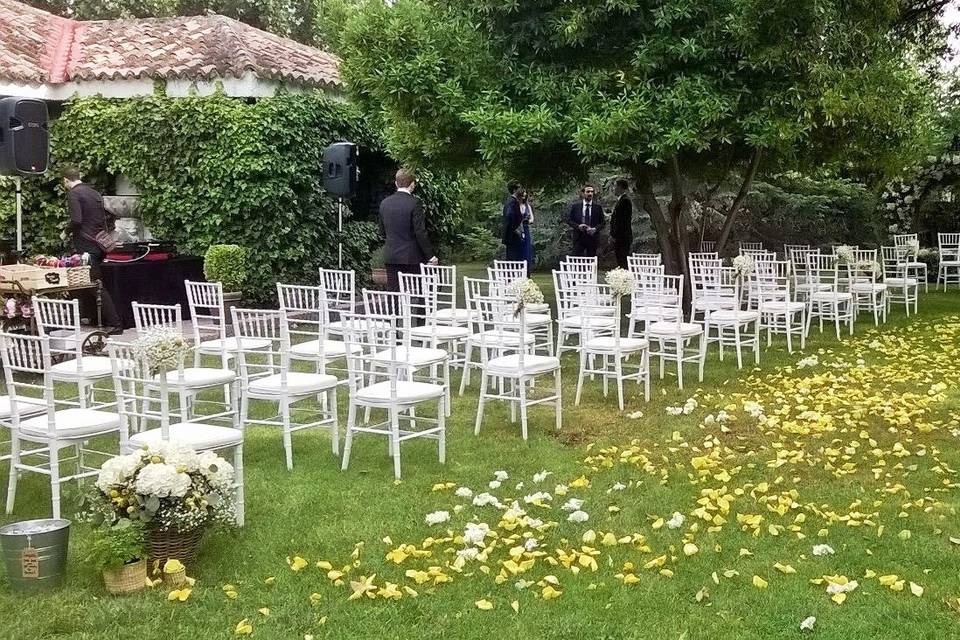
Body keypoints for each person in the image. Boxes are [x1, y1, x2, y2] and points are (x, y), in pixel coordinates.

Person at [62, 165, 123, 334]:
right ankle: (87, 318)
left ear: (65, 180)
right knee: (85, 283)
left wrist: (65, 231)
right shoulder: (94, 193)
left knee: (95, 285)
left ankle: (116, 324)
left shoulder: (74, 194)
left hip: (86, 245)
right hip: (99, 243)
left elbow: (76, 220)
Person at [379, 167, 438, 292]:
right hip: (412, 257)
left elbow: (382, 231)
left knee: (394, 292)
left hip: (392, 256)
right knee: (420, 291)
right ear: (412, 184)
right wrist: (430, 256)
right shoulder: (415, 203)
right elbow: (419, 232)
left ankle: (394, 312)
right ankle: (419, 312)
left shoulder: (384, 203)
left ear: (396, 183)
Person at [566, 183, 605, 257]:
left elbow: (602, 222)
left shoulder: (598, 207)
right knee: (576, 259)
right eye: (588, 192)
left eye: (592, 192)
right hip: (579, 237)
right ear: (583, 193)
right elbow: (569, 220)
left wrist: (595, 229)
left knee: (591, 261)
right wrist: (578, 226)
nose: (590, 193)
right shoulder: (576, 207)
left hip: (592, 238)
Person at [611, 178, 633, 268]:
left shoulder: (625, 201)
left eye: (615, 186)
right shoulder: (621, 200)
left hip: (622, 237)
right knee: (620, 259)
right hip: (620, 237)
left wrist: (615, 235)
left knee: (622, 260)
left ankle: (623, 280)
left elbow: (622, 221)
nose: (614, 189)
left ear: (620, 188)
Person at [501, 181, 525, 261]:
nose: (521, 190)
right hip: (512, 236)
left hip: (511, 235)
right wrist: (516, 230)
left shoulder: (512, 201)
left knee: (513, 258)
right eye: (519, 188)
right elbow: (509, 217)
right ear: (514, 190)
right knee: (513, 259)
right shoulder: (512, 202)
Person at [519, 189, 535, 274]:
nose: (524, 198)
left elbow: (532, 219)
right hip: (518, 229)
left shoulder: (527, 206)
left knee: (527, 250)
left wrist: (528, 221)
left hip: (525, 228)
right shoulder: (516, 206)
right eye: (523, 196)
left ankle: (527, 271)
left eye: (525, 196)